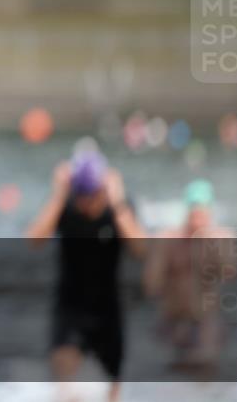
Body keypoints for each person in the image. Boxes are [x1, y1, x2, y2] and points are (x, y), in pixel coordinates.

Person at [27, 150, 146, 402]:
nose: (86, 204)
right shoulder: (66, 206)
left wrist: (117, 202)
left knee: (113, 391)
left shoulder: (118, 210)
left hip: (108, 310)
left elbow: (141, 250)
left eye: (92, 197)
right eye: (80, 197)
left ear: (104, 189)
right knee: (65, 387)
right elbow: (34, 240)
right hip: (70, 308)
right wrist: (58, 195)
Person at [143, 179, 237, 369]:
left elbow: (231, 274)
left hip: (205, 320)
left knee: (206, 353)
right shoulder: (169, 239)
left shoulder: (222, 237)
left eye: (202, 213)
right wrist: (162, 254)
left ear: (210, 213)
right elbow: (151, 285)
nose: (197, 219)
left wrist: (210, 245)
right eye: (194, 212)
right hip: (173, 319)